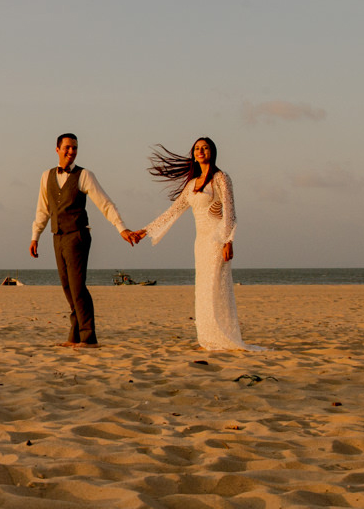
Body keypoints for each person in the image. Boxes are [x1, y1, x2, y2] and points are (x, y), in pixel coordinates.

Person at [134, 138, 261, 351]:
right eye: (197, 148)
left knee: (215, 288)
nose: (201, 151)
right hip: (200, 243)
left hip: (216, 240)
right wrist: (145, 230)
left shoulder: (221, 178)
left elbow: (230, 212)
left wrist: (228, 240)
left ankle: (223, 336)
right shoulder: (192, 184)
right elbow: (173, 211)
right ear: (193, 154)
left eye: (205, 148)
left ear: (212, 152)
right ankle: (207, 338)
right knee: (202, 290)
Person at [30, 133, 137, 347]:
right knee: (67, 287)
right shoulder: (46, 176)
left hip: (77, 235)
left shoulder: (84, 175)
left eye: (75, 148)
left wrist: (121, 228)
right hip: (57, 236)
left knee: (78, 287)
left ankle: (88, 337)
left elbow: (105, 203)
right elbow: (43, 210)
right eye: (68, 147)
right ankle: (75, 335)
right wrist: (35, 237)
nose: (71, 151)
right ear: (57, 149)